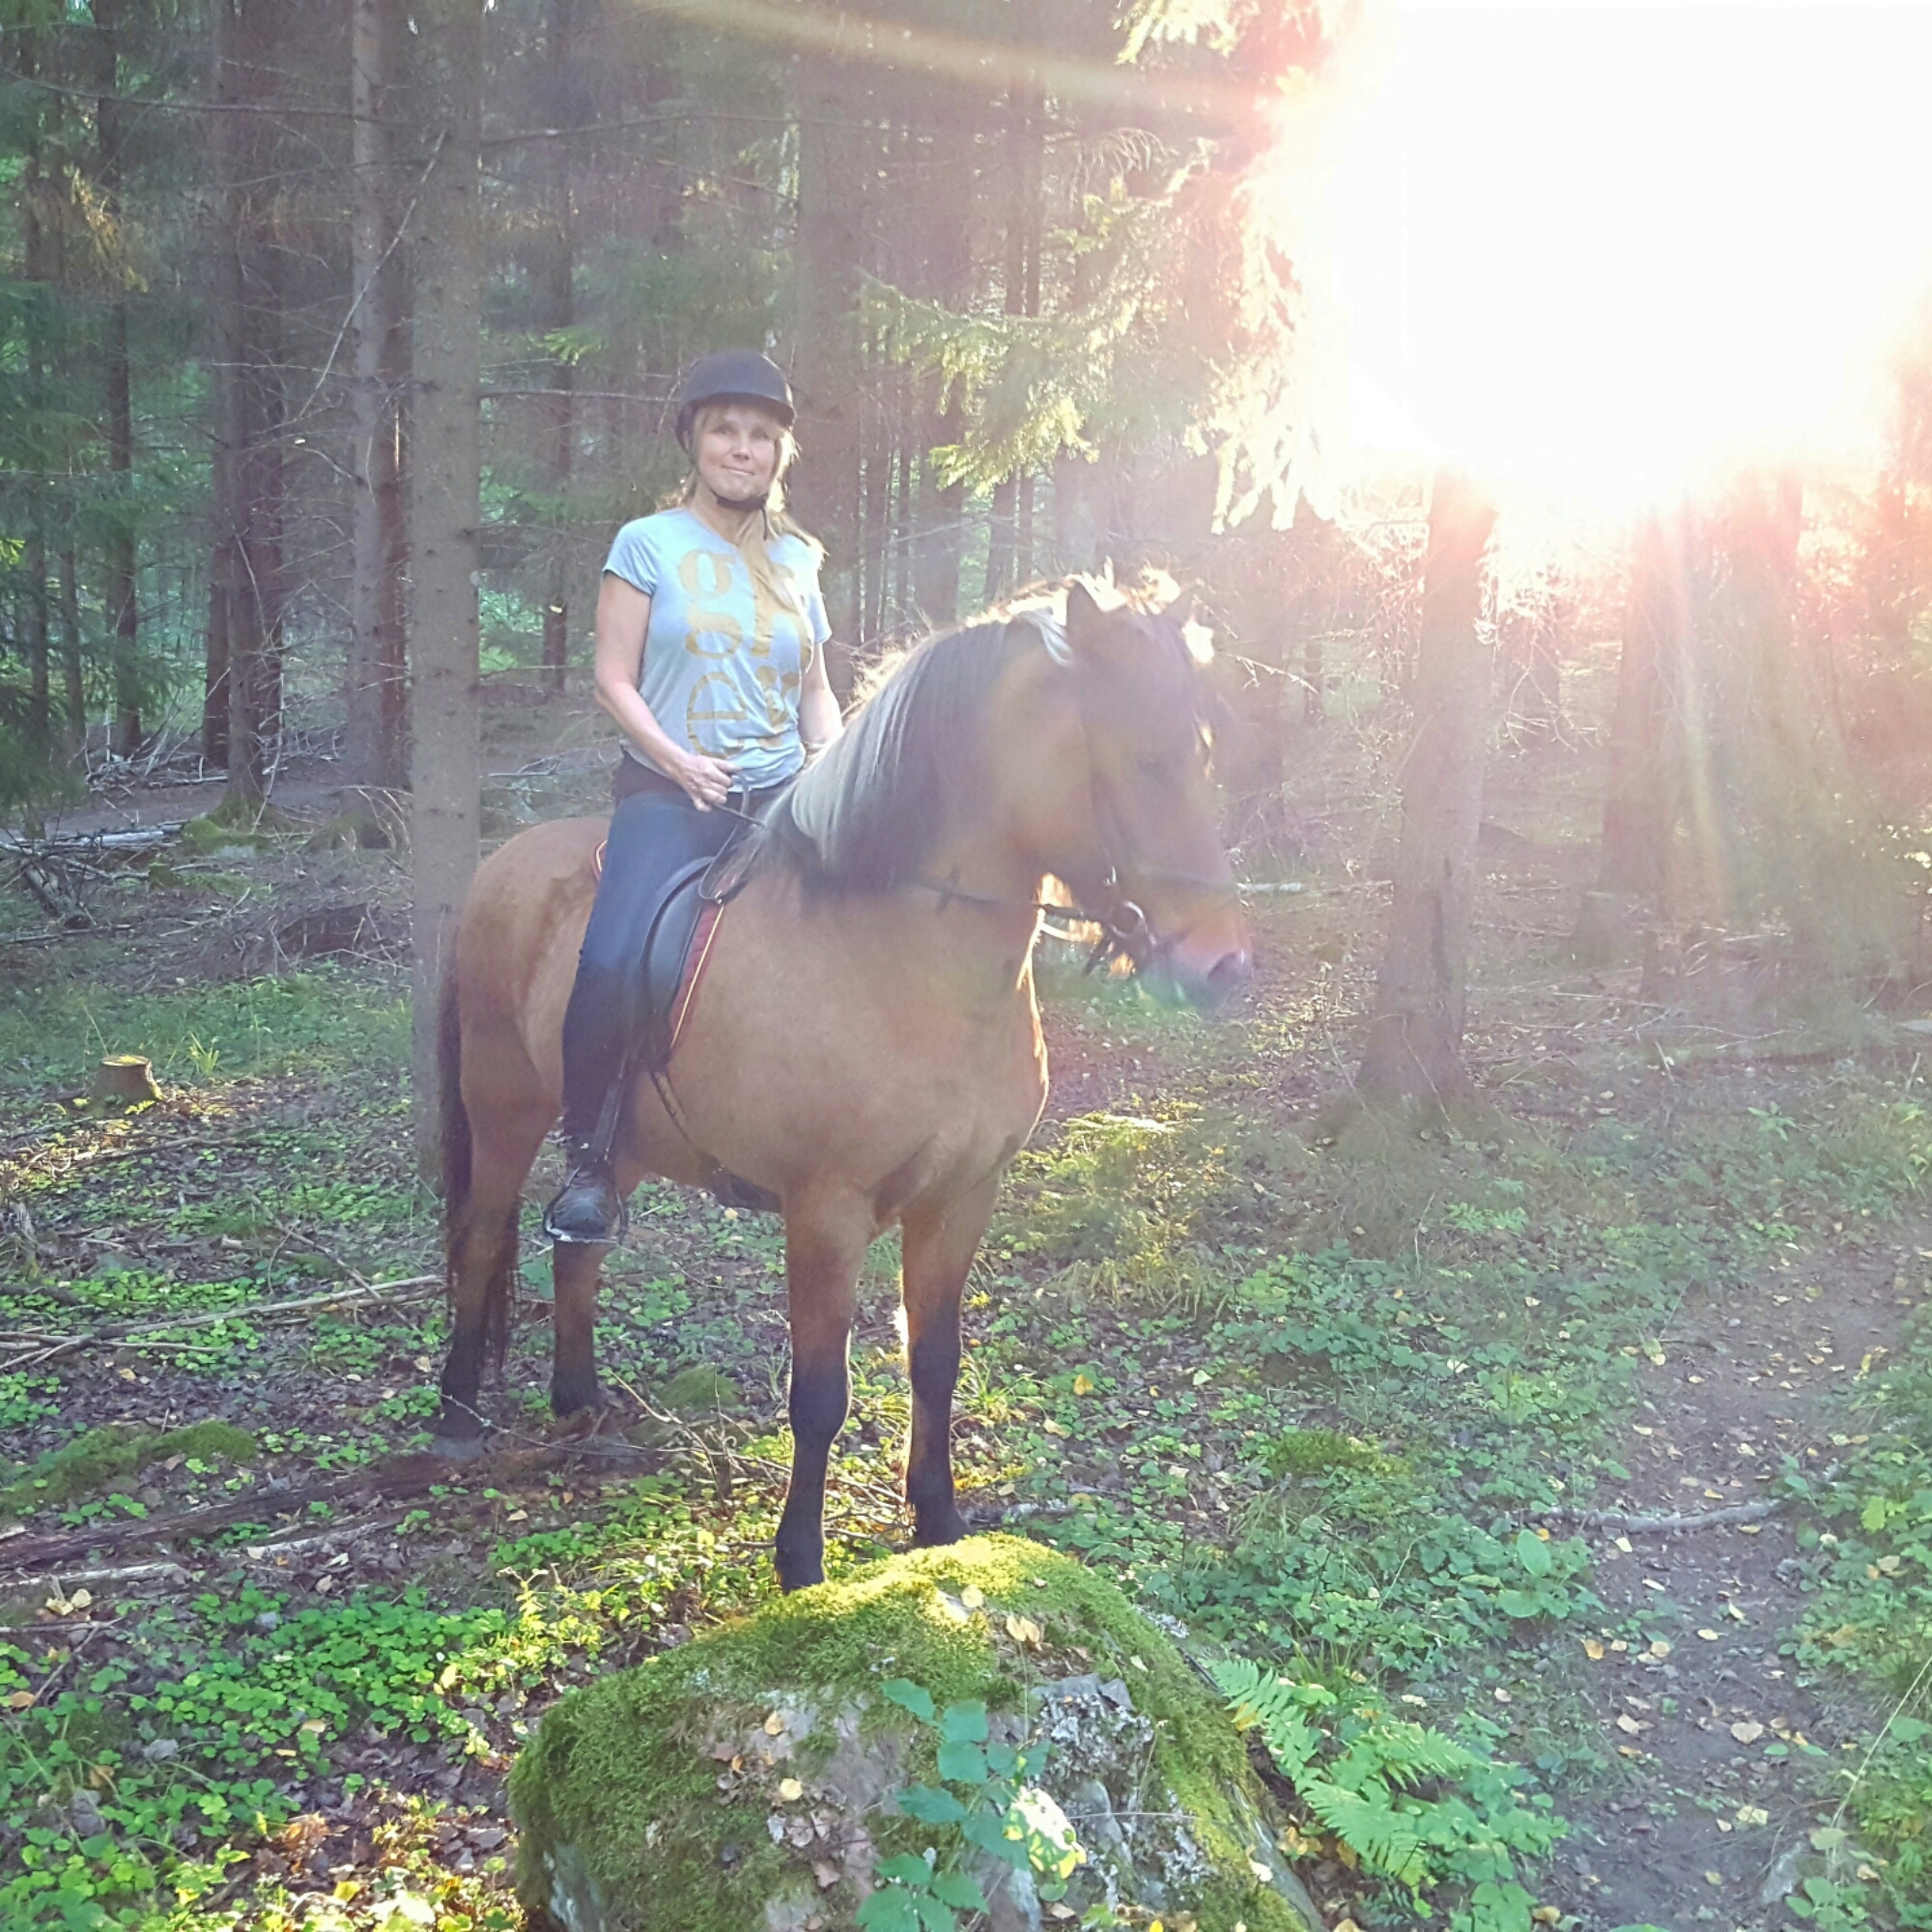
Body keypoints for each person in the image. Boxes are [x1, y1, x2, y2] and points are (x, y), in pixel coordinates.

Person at [543, 350, 843, 1244]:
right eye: (725, 430)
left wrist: (829, 760)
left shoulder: (799, 559)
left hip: (781, 797)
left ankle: (803, 1135)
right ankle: (591, 1163)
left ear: (780, 453)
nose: (743, 448)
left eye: (761, 436)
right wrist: (675, 761)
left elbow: (816, 687)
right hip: (671, 793)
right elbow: (613, 677)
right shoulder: (648, 543)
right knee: (612, 959)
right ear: (695, 441)